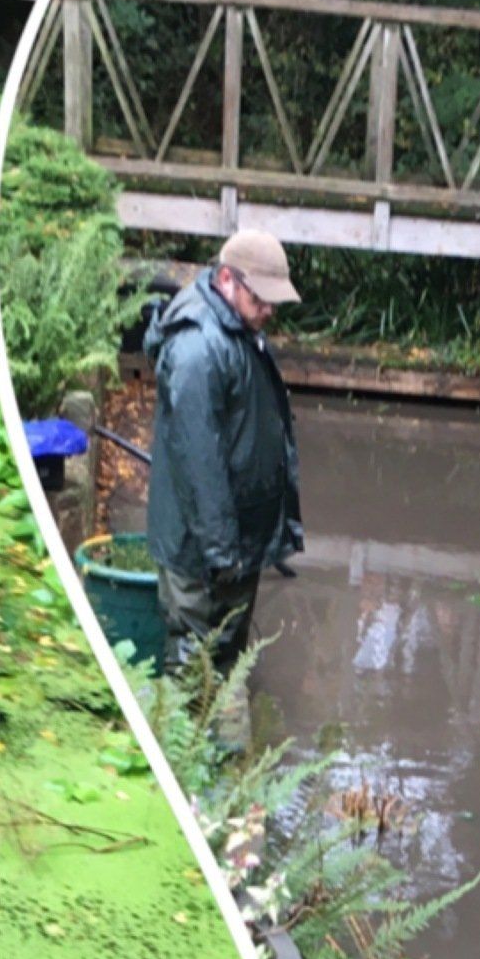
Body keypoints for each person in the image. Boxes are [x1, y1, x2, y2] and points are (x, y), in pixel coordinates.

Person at [143, 230, 304, 677]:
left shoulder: (238, 323)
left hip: (237, 538)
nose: (270, 310)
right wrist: (222, 553)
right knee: (193, 659)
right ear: (228, 280)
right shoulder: (198, 348)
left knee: (226, 653)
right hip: (203, 549)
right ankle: (190, 738)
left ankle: (221, 721)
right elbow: (200, 463)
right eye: (262, 300)